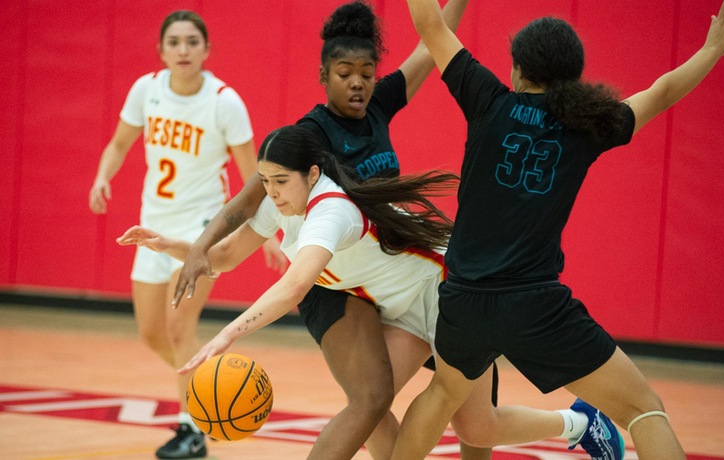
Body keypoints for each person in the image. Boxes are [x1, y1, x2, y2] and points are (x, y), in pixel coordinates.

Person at [118, 124, 622, 460]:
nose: (270, 193)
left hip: (454, 301)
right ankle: (578, 426)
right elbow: (224, 258)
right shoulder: (280, 204)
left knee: (477, 429)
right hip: (404, 312)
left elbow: (295, 285)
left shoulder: (330, 211)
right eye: (265, 182)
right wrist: (173, 246)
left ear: (312, 176)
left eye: (279, 182)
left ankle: (578, 424)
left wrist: (227, 334)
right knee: (369, 401)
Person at [389, 0, 724, 459]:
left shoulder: (487, 99)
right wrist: (712, 50)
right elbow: (660, 92)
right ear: (572, 74)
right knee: (644, 410)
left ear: (518, 68)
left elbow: (429, 22)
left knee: (442, 394)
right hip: (535, 307)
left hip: (465, 301)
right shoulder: (587, 126)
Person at [164, 2, 498, 460]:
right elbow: (250, 201)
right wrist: (199, 246)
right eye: (344, 73)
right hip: (338, 278)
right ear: (324, 75)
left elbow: (431, 43)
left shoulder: (377, 105)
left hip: (399, 273)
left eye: (366, 71)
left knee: (470, 423)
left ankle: (573, 423)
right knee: (372, 401)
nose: (357, 81)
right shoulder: (308, 143)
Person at [86, 10, 285, 459]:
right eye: (173, 42)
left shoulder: (223, 101)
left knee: (179, 330)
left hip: (201, 232)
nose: (182, 49)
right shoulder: (147, 90)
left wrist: (267, 231)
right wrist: (103, 177)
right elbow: (119, 143)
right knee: (151, 332)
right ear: (161, 51)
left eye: (192, 41)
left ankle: (191, 428)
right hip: (150, 227)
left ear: (206, 50)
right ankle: (210, 390)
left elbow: (253, 172)